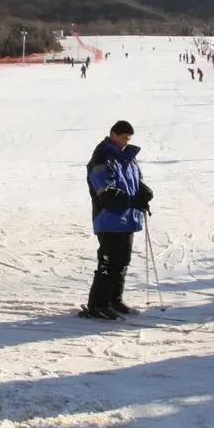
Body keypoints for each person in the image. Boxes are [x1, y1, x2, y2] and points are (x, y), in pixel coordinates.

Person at [84, 120, 152, 319]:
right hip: (109, 219)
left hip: (127, 218)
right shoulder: (102, 158)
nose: (125, 142)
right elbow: (106, 191)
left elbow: (135, 181)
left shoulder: (128, 157)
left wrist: (143, 191)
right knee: (109, 263)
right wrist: (131, 199)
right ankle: (98, 304)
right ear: (113, 134)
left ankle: (115, 299)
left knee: (122, 261)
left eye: (128, 139)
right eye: (123, 138)